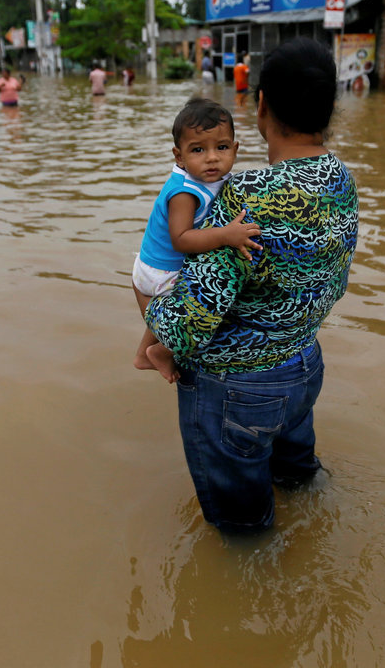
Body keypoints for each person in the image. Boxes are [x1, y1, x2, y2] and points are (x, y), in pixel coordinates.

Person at [146, 38, 359, 533]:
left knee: (245, 533)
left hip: (239, 390)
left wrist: (149, 304)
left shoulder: (247, 196)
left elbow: (190, 320)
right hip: (304, 365)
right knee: (302, 482)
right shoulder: (341, 179)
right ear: (329, 107)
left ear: (260, 104)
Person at [133, 98, 262, 383]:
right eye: (198, 150)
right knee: (207, 306)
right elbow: (181, 239)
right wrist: (226, 235)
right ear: (179, 157)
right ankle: (165, 350)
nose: (212, 157)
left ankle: (145, 353)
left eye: (222, 147)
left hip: (149, 266)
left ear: (236, 149)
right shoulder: (184, 191)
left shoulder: (208, 177)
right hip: (162, 273)